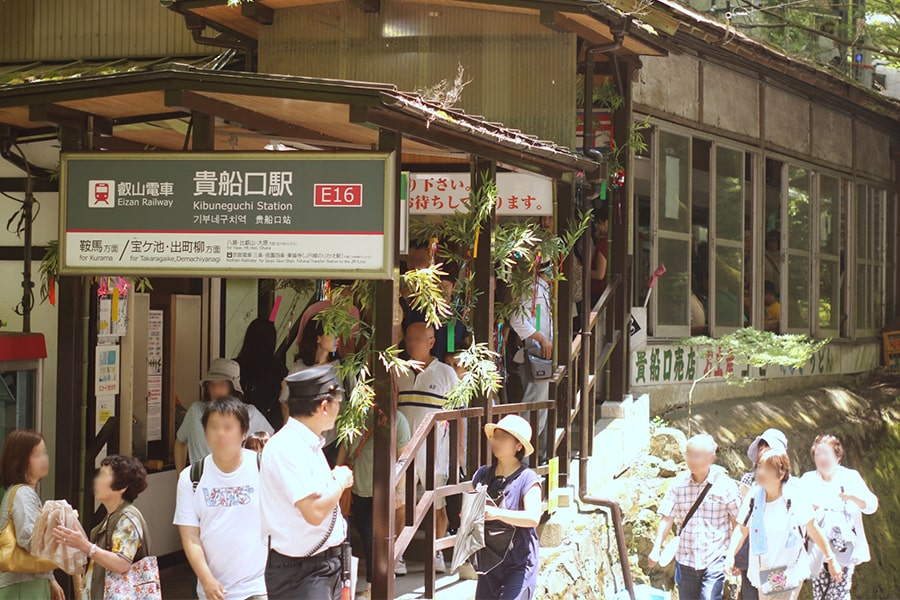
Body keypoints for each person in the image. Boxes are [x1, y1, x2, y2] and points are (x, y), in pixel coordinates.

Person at [260, 365, 352, 600]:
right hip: (301, 572)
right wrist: (339, 482)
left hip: (322, 564)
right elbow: (313, 511)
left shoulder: (305, 443)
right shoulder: (289, 446)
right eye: (337, 401)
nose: (338, 408)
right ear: (324, 406)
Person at [174, 399, 268, 600]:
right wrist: (206, 579)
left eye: (228, 427)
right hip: (212, 590)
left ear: (243, 434)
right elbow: (190, 536)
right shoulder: (191, 477)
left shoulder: (264, 468)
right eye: (214, 427)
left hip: (259, 586)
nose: (220, 433)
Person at [725, 450, 842, 600]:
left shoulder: (794, 497)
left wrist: (831, 558)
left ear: (780, 474)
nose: (760, 472)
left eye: (766, 469)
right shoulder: (754, 496)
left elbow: (813, 529)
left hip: (788, 570)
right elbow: (742, 529)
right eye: (759, 466)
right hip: (762, 571)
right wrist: (730, 555)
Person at [397, 322, 459, 573]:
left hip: (435, 449)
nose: (411, 343)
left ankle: (436, 552)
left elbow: (458, 415)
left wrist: (459, 452)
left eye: (417, 339)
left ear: (431, 342)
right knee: (399, 504)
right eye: (408, 338)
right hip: (402, 449)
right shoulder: (398, 370)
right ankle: (398, 554)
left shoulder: (446, 373)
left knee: (437, 503)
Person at [648, 434, 741, 600]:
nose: (691, 460)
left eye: (697, 456)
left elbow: (738, 522)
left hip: (715, 556)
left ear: (711, 458)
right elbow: (667, 518)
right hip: (685, 558)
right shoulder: (677, 484)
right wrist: (656, 548)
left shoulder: (726, 486)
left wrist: (733, 554)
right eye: (689, 455)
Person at [54, 455, 150, 600]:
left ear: (122, 487)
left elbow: (121, 563)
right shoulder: (112, 516)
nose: (97, 480)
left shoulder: (127, 519)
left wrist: (85, 546)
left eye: (104, 475)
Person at [336, 409, 411, 584]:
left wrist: (399, 491)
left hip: (384, 487)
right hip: (358, 486)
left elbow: (404, 457)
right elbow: (345, 445)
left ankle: (376, 582)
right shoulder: (355, 415)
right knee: (365, 532)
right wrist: (336, 473)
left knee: (374, 536)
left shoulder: (397, 419)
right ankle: (378, 578)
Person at [472, 415, 542, 600]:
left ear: (519, 445)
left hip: (519, 561)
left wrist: (496, 513)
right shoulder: (483, 474)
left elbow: (533, 518)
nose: (497, 441)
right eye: (496, 436)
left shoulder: (528, 478)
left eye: (504, 437)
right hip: (489, 561)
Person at [800, 434, 878, 600]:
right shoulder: (808, 480)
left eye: (826, 453)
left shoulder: (850, 477)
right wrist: (811, 507)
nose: (821, 458)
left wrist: (853, 497)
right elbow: (796, 510)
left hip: (844, 547)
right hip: (818, 547)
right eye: (817, 454)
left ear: (838, 456)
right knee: (820, 593)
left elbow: (872, 506)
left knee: (840, 592)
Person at [175, 358, 273, 472]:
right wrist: (180, 475)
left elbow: (272, 443)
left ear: (233, 388)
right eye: (212, 385)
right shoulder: (196, 411)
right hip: (201, 484)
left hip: (237, 485)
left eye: (222, 385)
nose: (216, 390)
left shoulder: (250, 413)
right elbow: (180, 442)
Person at [0, 430, 65, 600]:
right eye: (37, 454)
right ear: (20, 460)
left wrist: (50, 578)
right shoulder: (23, 493)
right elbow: (29, 540)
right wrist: (61, 534)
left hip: (25, 581)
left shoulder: (23, 492)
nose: (44, 459)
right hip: (22, 583)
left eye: (44, 453)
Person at [737, 429, 789, 600]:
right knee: (751, 595)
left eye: (768, 445)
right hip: (752, 553)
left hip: (779, 558)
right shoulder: (748, 482)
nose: (763, 449)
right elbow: (742, 523)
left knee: (775, 595)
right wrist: (733, 554)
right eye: (761, 446)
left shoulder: (791, 489)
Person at [509, 262, 552, 461]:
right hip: (535, 349)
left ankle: (531, 454)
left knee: (539, 405)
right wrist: (539, 338)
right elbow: (516, 317)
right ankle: (524, 456)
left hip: (539, 349)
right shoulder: (532, 288)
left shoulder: (541, 288)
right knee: (534, 404)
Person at [235, 318, 288, 431]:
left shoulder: (236, 365)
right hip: (272, 423)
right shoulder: (278, 368)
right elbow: (285, 397)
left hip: (242, 423)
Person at [590, 212, 609, 307]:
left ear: (606, 223)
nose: (596, 226)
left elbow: (599, 274)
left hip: (599, 291)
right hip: (603, 291)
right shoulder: (609, 242)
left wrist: (582, 273)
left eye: (599, 223)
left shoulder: (604, 244)